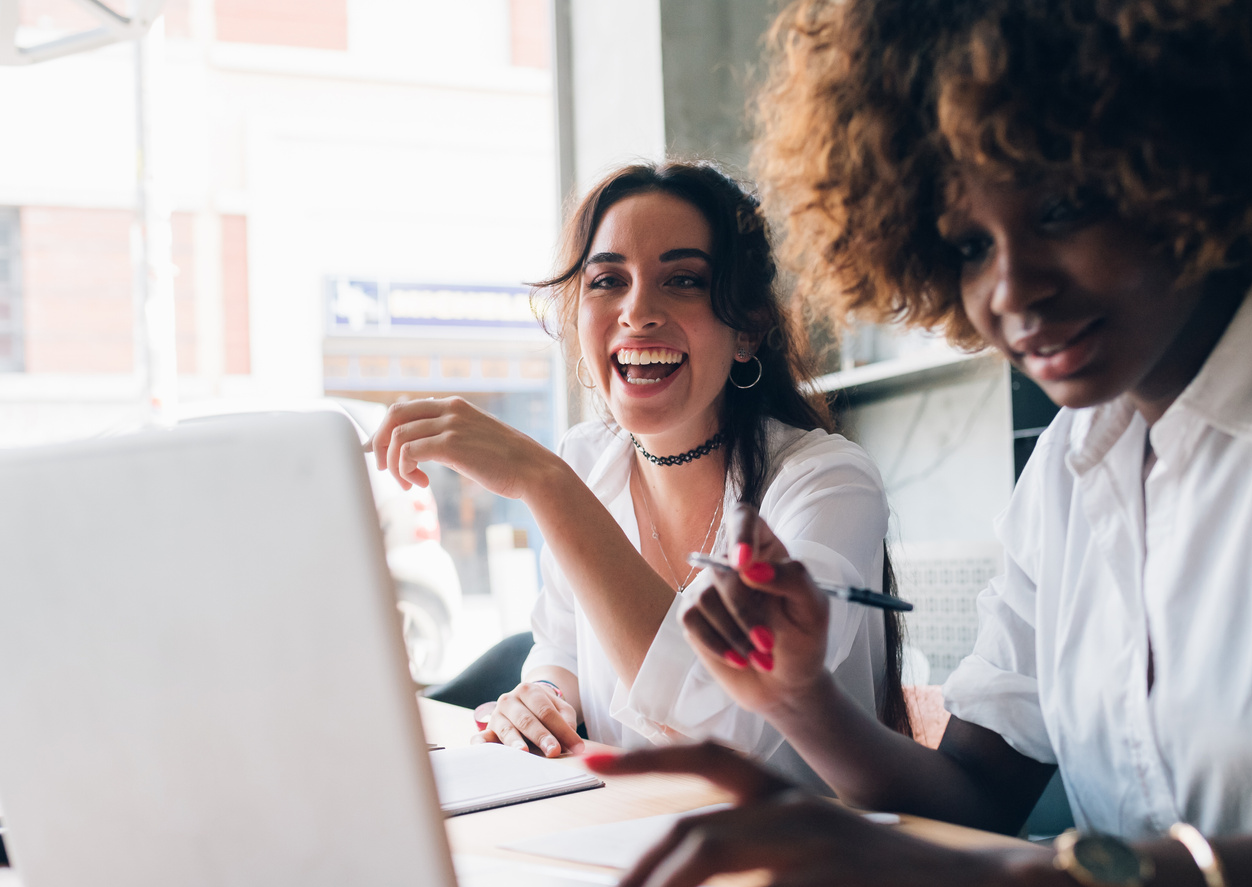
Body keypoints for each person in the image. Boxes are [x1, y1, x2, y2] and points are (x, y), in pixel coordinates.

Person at [579, 0, 1252, 887]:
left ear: (1194, 165)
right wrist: (801, 698)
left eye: (1061, 209)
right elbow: (976, 794)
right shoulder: (1069, 466)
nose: (1010, 289)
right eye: (968, 243)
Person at [369, 161, 905, 785]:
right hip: (625, 837)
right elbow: (561, 648)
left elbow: (723, 719)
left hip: (804, 862)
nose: (637, 311)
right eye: (607, 280)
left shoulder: (827, 481)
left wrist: (546, 485)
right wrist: (545, 696)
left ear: (748, 329)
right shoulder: (587, 462)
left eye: (682, 280)